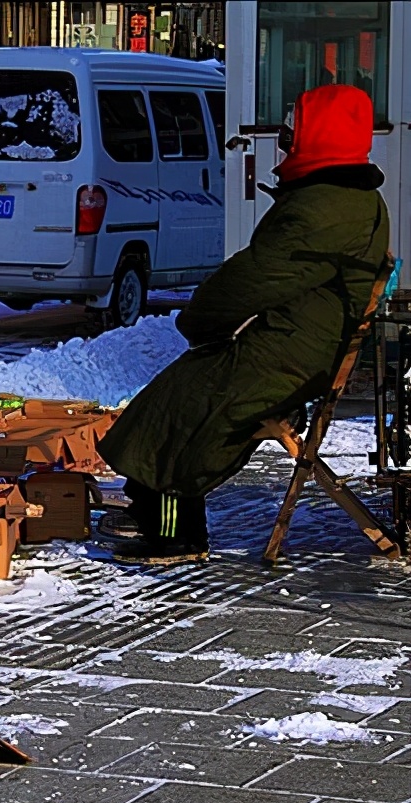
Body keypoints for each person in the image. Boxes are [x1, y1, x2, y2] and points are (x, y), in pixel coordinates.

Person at [96, 85, 390, 561]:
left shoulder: (325, 206)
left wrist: (200, 319)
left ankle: (171, 531)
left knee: (185, 409)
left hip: (289, 354)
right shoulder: (342, 197)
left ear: (322, 136)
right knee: (186, 392)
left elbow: (254, 278)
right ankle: (152, 508)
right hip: (294, 347)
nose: (286, 138)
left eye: (295, 129)